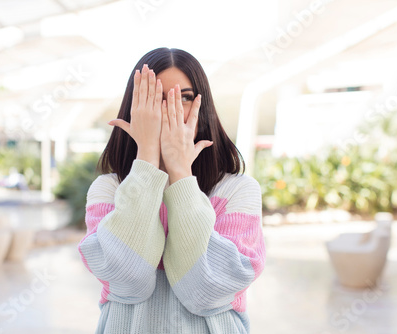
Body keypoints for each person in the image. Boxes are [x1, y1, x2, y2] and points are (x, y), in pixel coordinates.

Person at [78, 47, 266, 333]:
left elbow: (207, 293)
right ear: (134, 107)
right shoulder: (108, 189)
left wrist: (180, 174)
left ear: (204, 108)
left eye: (185, 97)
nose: (171, 109)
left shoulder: (237, 190)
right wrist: (147, 160)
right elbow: (128, 282)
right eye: (155, 97)